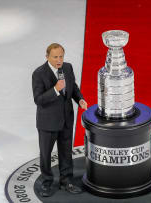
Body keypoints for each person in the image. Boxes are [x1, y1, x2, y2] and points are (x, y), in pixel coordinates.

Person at [32, 43, 87, 197]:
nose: (59, 60)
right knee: (46, 154)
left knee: (66, 152)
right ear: (47, 56)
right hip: (47, 123)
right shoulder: (39, 73)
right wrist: (55, 90)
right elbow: (38, 99)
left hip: (66, 119)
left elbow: (73, 87)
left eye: (61, 56)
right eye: (55, 57)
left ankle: (66, 180)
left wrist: (80, 99)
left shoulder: (67, 68)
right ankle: (47, 182)